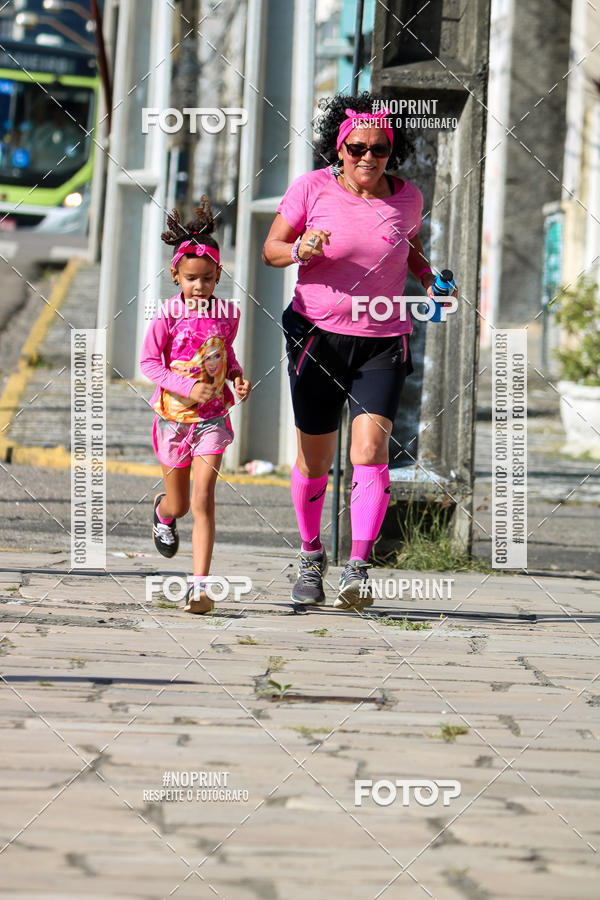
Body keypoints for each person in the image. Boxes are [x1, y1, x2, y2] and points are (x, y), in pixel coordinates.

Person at [263, 92, 451, 611]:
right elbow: (270, 250)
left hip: (382, 339)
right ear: (339, 148)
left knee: (369, 451)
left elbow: (409, 246)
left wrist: (429, 278)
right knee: (315, 459)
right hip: (317, 336)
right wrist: (299, 248)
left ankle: (359, 568)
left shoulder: (408, 198)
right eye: (357, 148)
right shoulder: (311, 188)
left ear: (392, 151)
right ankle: (310, 555)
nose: (368, 157)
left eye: (379, 149)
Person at [140, 197, 251, 614]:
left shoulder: (228, 315)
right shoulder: (167, 316)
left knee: (203, 498)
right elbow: (149, 363)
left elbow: (225, 353)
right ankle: (163, 512)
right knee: (182, 504)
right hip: (173, 421)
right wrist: (186, 385)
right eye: (191, 279)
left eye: (207, 278)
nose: (200, 287)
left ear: (219, 274)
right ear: (176, 275)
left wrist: (236, 377)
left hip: (212, 421)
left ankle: (199, 588)